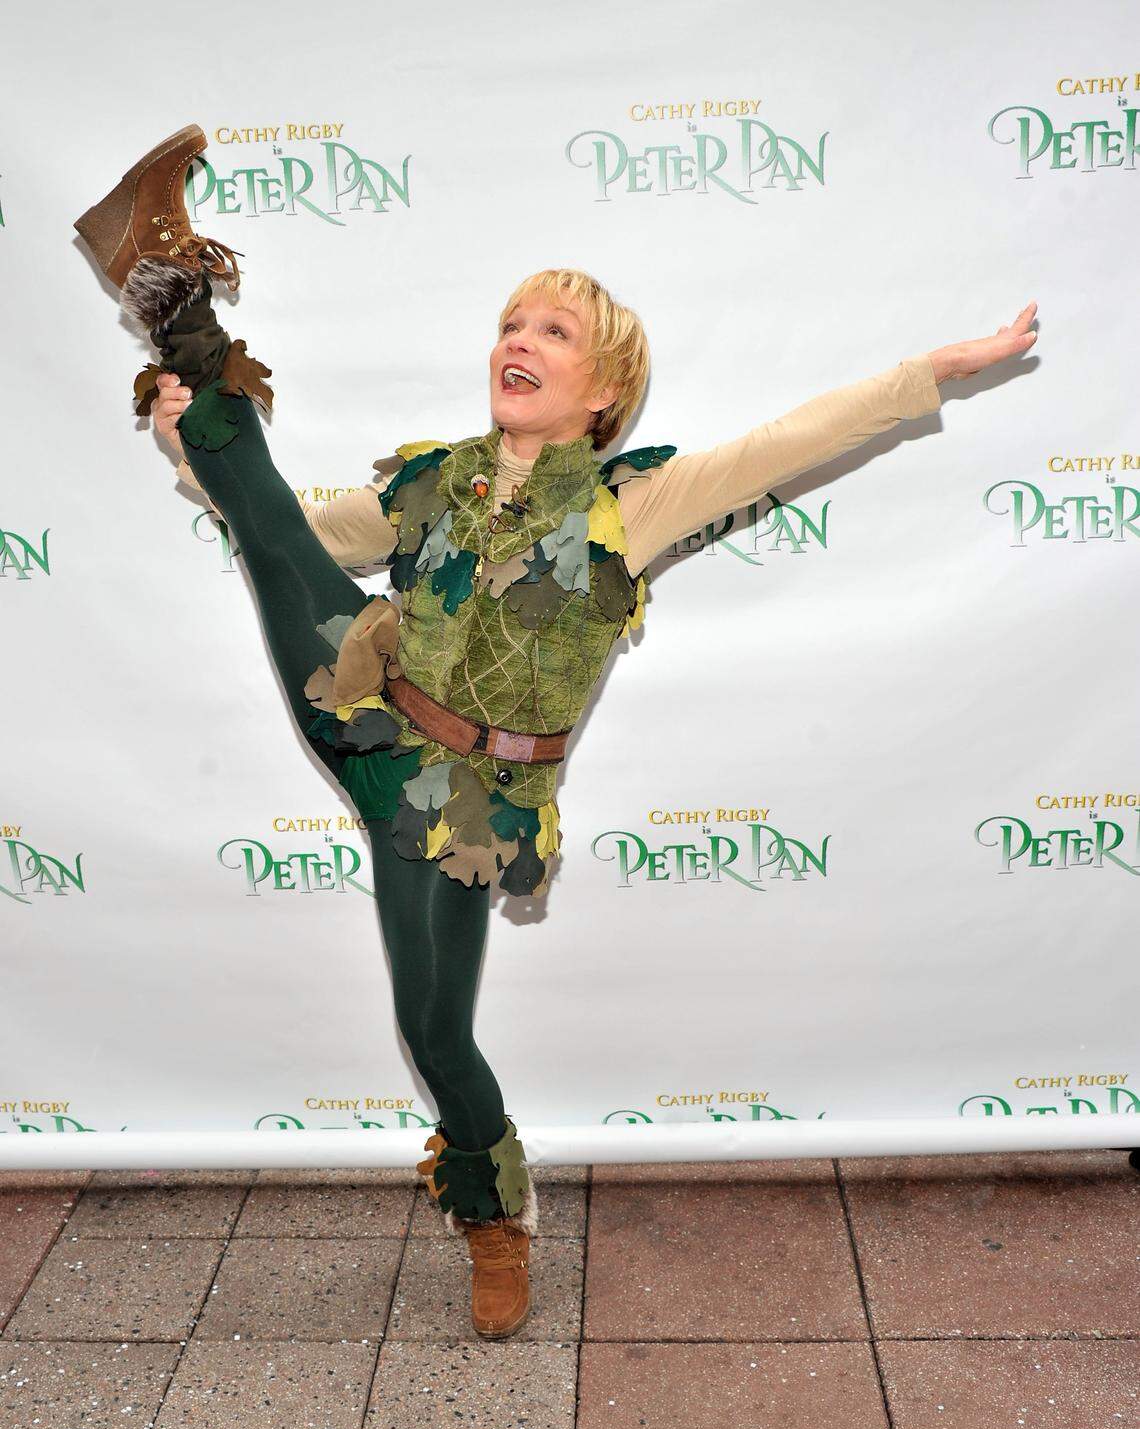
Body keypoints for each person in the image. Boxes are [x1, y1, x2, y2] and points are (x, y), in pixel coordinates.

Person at [74, 123, 1039, 1341]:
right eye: (511, 324)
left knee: (434, 1030)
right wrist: (184, 447)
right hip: (367, 712)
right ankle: (171, 291)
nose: (517, 342)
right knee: (269, 530)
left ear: (602, 394)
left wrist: (935, 373)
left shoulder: (636, 501)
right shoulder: (431, 482)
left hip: (471, 804)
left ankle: (492, 1210)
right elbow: (294, 534)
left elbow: (790, 439)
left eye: (554, 332)